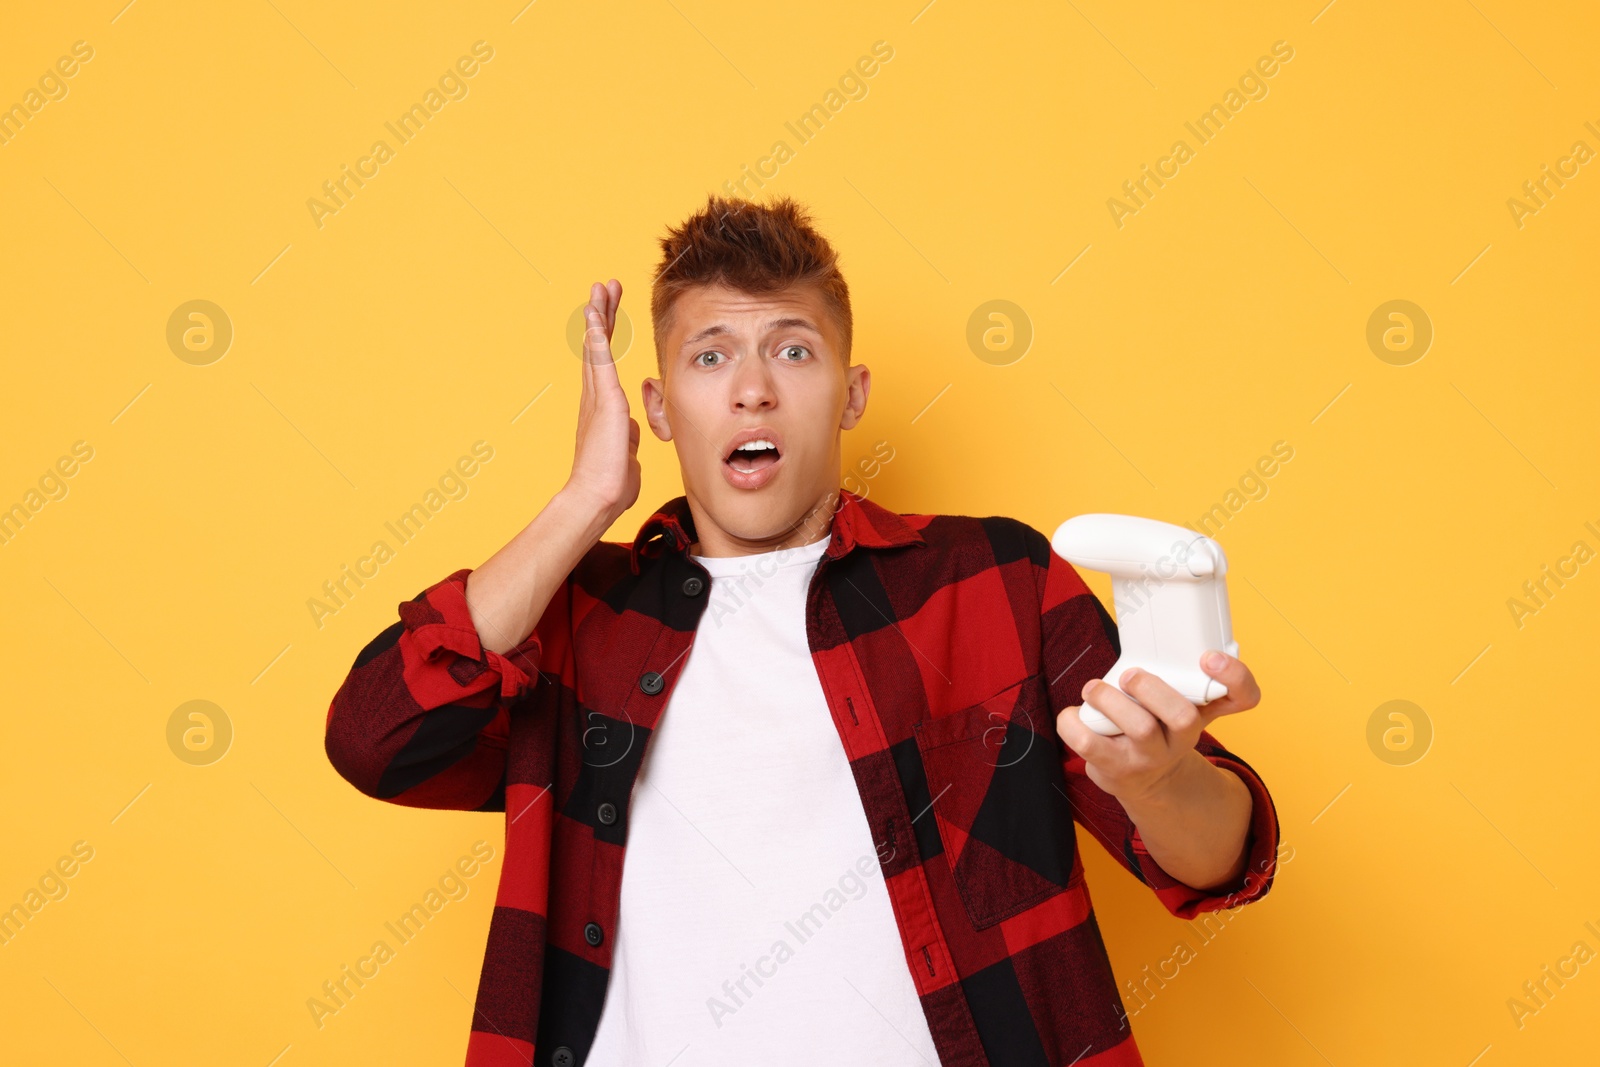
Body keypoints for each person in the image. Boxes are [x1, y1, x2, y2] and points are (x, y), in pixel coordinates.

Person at [323, 194, 1282, 1067]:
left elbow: (1220, 859)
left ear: (851, 392)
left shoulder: (994, 579)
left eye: (792, 350)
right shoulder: (572, 616)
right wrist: (583, 499)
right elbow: (374, 737)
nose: (752, 390)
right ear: (656, 410)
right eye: (709, 356)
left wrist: (1162, 782)